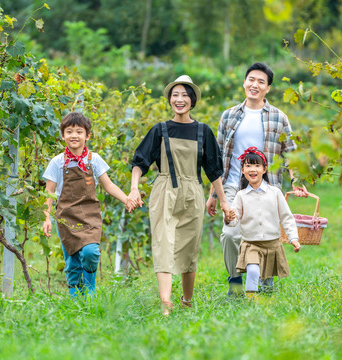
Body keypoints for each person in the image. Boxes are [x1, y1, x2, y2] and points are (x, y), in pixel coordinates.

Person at [128, 75, 231, 315]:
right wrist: (134, 187)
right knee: (163, 243)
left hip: (193, 191)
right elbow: (140, 161)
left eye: (185, 95)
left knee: (188, 247)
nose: (179, 99)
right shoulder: (160, 129)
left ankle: (186, 301)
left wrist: (223, 201)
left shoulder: (203, 131)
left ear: (192, 100)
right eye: (175, 95)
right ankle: (166, 303)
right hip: (164, 189)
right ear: (169, 100)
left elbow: (213, 170)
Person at [206, 62, 308, 295]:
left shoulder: (278, 117)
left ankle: (263, 282)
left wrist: (296, 180)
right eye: (251, 79)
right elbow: (219, 156)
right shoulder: (229, 116)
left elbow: (290, 151)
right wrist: (213, 194)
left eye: (261, 81)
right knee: (230, 233)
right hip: (232, 184)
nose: (255, 85)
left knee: (264, 234)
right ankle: (235, 283)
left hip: (266, 185)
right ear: (244, 82)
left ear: (268, 88)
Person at [42, 112, 135, 297]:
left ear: (88, 135)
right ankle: (75, 300)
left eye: (79, 131)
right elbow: (49, 193)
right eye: (69, 131)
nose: (74, 135)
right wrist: (46, 217)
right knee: (73, 260)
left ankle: (90, 290)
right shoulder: (57, 162)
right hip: (66, 216)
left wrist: (126, 199)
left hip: (90, 215)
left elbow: (108, 185)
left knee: (91, 253)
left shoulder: (94, 159)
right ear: (62, 135)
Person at [224, 147, 300, 295]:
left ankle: (266, 304)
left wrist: (293, 238)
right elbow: (235, 219)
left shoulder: (274, 193)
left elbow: (286, 217)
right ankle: (252, 301)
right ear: (242, 169)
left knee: (267, 283)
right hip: (251, 244)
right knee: (252, 270)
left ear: (264, 169)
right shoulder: (241, 195)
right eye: (248, 165)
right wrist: (229, 219)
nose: (253, 169)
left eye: (257, 165)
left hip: (272, 244)